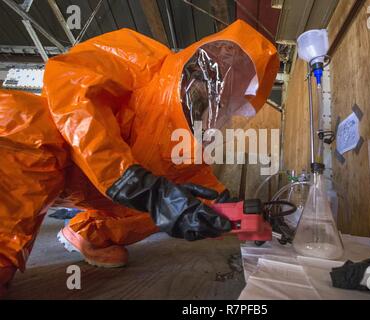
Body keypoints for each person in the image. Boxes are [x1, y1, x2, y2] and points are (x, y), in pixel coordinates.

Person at [0, 20, 279, 297]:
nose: (220, 86)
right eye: (223, 68)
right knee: (27, 122)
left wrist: (244, 219)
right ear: (207, 52)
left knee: (170, 206)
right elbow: (71, 83)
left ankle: (90, 233)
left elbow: (200, 189)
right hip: (40, 152)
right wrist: (130, 180)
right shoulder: (145, 59)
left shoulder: (191, 142)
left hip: (90, 190)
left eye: (235, 88)